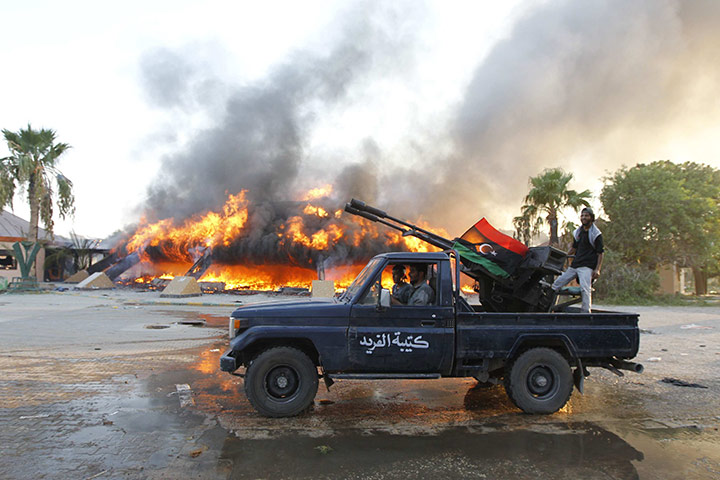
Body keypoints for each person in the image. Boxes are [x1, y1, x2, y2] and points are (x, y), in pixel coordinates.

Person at [552, 207, 604, 313]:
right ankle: (551, 308)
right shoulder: (578, 232)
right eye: (582, 216)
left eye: (586, 215)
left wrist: (597, 269)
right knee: (556, 285)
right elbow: (574, 248)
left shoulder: (596, 234)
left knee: (585, 289)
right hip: (575, 265)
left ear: (591, 218)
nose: (584, 218)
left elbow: (600, 253)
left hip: (587, 265)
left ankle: (585, 313)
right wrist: (565, 256)